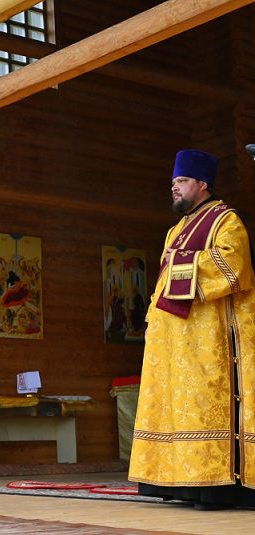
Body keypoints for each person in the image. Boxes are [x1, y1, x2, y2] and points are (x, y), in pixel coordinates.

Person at [129, 149, 255, 510]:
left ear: (202, 184)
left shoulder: (226, 220)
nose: (174, 188)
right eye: (172, 183)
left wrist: (184, 265)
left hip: (208, 336)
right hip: (174, 339)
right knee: (174, 407)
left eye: (181, 182)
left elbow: (234, 264)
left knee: (204, 403)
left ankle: (215, 486)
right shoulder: (176, 229)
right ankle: (178, 482)